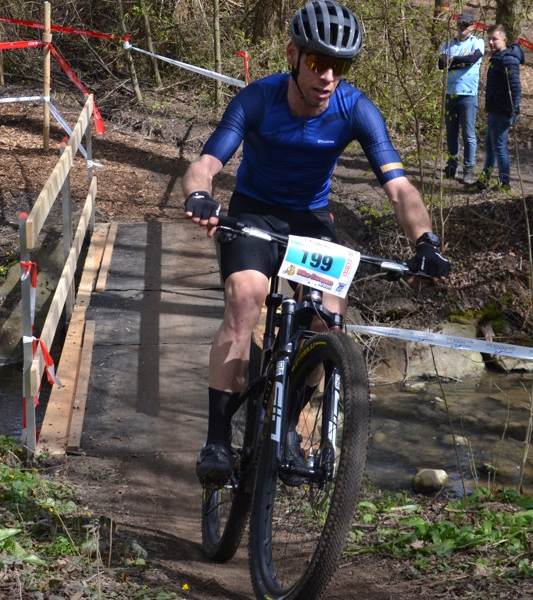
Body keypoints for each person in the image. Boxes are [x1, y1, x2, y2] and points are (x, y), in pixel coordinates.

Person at [181, 0, 451, 486]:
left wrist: (426, 241)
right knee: (244, 300)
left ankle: (284, 428)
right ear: (292, 54)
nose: (327, 75)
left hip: (310, 222)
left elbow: (400, 188)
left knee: (328, 317)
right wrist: (200, 195)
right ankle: (217, 440)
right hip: (254, 213)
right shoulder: (257, 100)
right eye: (316, 62)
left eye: (339, 66)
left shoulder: (356, 109)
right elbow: (205, 162)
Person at [468, 23, 524, 193]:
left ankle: (504, 184)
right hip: (494, 110)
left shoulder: (507, 59)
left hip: (502, 112)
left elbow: (515, 88)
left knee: (499, 148)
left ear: (504, 39)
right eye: (489, 39)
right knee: (490, 147)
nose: (491, 42)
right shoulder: (499, 57)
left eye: (495, 39)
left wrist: (512, 112)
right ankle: (485, 180)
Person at [437, 11, 485, 185]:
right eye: (460, 24)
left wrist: (453, 60)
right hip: (451, 94)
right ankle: (451, 167)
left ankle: (468, 170)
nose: (462, 28)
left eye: (465, 25)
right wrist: (458, 60)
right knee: (451, 132)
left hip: (468, 95)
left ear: (472, 27)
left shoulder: (478, 42)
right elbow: (441, 64)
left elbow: (472, 59)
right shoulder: (448, 43)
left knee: (468, 134)